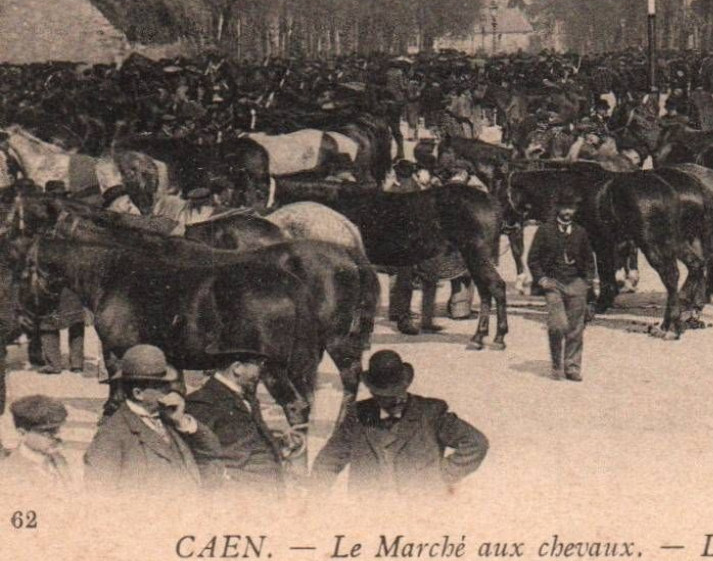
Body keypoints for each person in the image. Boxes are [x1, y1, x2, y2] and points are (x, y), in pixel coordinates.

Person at [311, 350, 489, 494]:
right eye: (385, 397)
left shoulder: (431, 413)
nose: (395, 401)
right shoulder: (358, 416)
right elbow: (329, 459)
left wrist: (440, 476)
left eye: (397, 393)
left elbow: (476, 443)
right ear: (373, 393)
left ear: (405, 386)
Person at [83, 345, 221, 494]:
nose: (171, 391)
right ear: (138, 393)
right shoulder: (112, 434)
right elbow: (98, 493)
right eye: (161, 386)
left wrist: (182, 421)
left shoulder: (169, 417)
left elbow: (213, 451)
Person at [184, 349, 287, 494]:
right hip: (239, 494)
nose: (260, 373)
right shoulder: (203, 400)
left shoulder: (247, 398)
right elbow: (196, 454)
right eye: (258, 364)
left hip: (268, 488)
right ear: (237, 368)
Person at [526, 190, 597, 381]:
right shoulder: (544, 230)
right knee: (558, 325)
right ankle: (557, 365)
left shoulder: (581, 232)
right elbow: (533, 259)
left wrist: (587, 283)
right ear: (557, 209)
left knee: (576, 328)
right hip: (553, 284)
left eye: (571, 208)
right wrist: (542, 280)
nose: (568, 212)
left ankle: (572, 367)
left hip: (576, 284)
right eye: (564, 208)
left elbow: (590, 261)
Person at [0, 395, 74, 493]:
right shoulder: (10, 472)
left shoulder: (58, 459)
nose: (57, 436)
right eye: (47, 431)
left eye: (58, 429)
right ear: (22, 433)